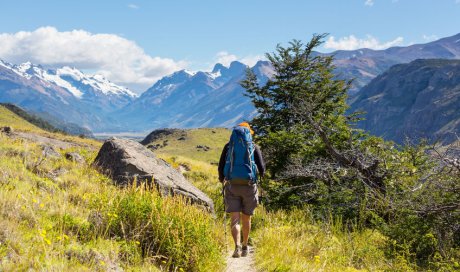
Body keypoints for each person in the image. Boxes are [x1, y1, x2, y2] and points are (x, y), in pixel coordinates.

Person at [218, 122, 265, 258]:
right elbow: (262, 168)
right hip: (249, 186)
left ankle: (236, 247)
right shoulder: (253, 146)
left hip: (232, 185)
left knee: (235, 219)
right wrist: (260, 176)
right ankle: (245, 246)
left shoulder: (229, 147)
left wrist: (222, 179)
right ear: (248, 133)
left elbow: (221, 167)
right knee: (246, 218)